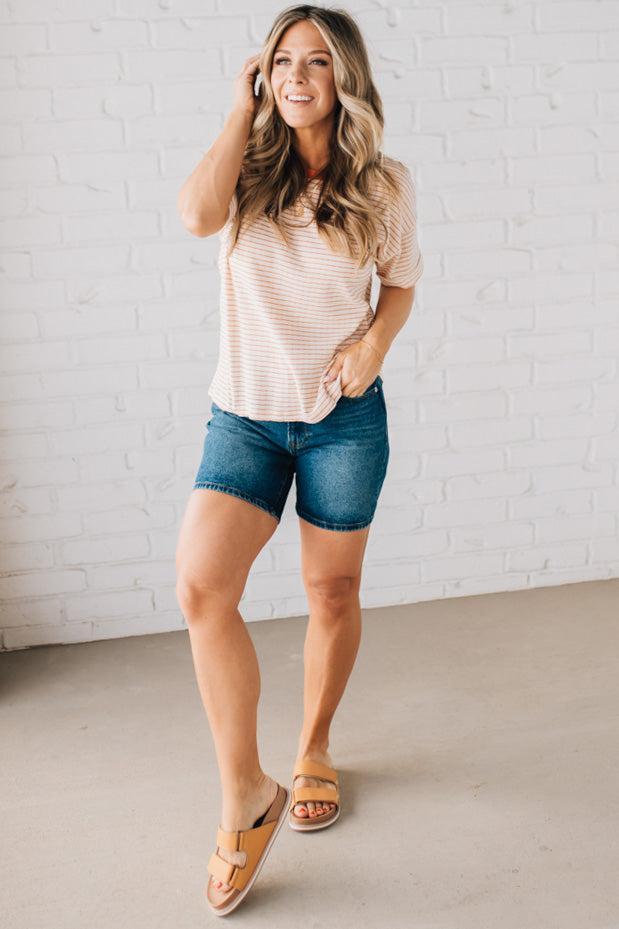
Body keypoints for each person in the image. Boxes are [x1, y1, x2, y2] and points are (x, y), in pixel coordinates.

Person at [175, 3, 423, 916]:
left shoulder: (383, 185)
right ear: (262, 73)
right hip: (244, 418)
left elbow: (400, 281)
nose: (296, 75)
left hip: (342, 421)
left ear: (344, 78)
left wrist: (375, 345)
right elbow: (196, 217)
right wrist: (241, 108)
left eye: (316, 62)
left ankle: (313, 747)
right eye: (282, 60)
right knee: (203, 587)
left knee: (332, 593)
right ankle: (245, 790)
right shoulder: (243, 170)